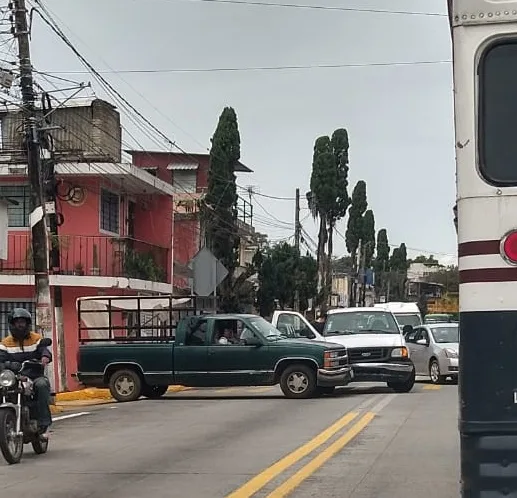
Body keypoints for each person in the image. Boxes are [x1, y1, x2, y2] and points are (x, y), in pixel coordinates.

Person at [0, 308, 52, 435]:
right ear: (12, 324)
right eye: (17, 322)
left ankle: (43, 422)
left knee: (42, 385)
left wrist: (45, 357)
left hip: (34, 375)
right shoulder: (5, 343)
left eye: (23, 322)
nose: (20, 325)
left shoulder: (36, 338)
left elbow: (44, 349)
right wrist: (9, 365)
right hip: (15, 377)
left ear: (28, 323)